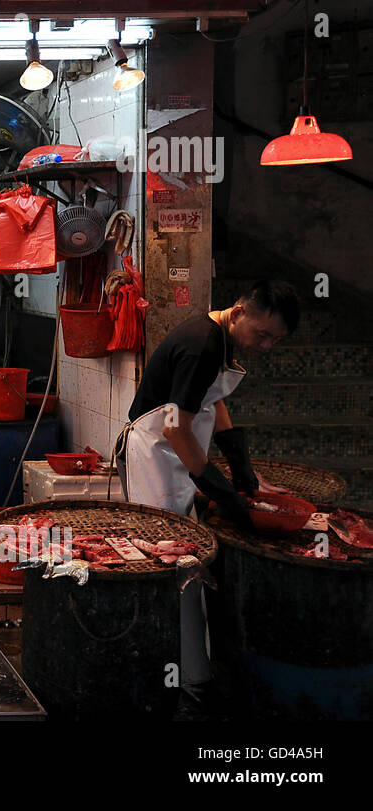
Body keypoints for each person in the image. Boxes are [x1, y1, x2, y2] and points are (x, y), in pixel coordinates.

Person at [116, 278, 299, 696]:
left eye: (275, 340)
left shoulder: (218, 336)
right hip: (155, 457)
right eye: (263, 335)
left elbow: (211, 398)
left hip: (171, 456)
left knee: (186, 560)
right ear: (238, 313)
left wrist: (237, 456)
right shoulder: (202, 342)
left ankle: (191, 671)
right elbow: (175, 427)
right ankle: (170, 676)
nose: (266, 346)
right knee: (170, 564)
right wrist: (217, 487)